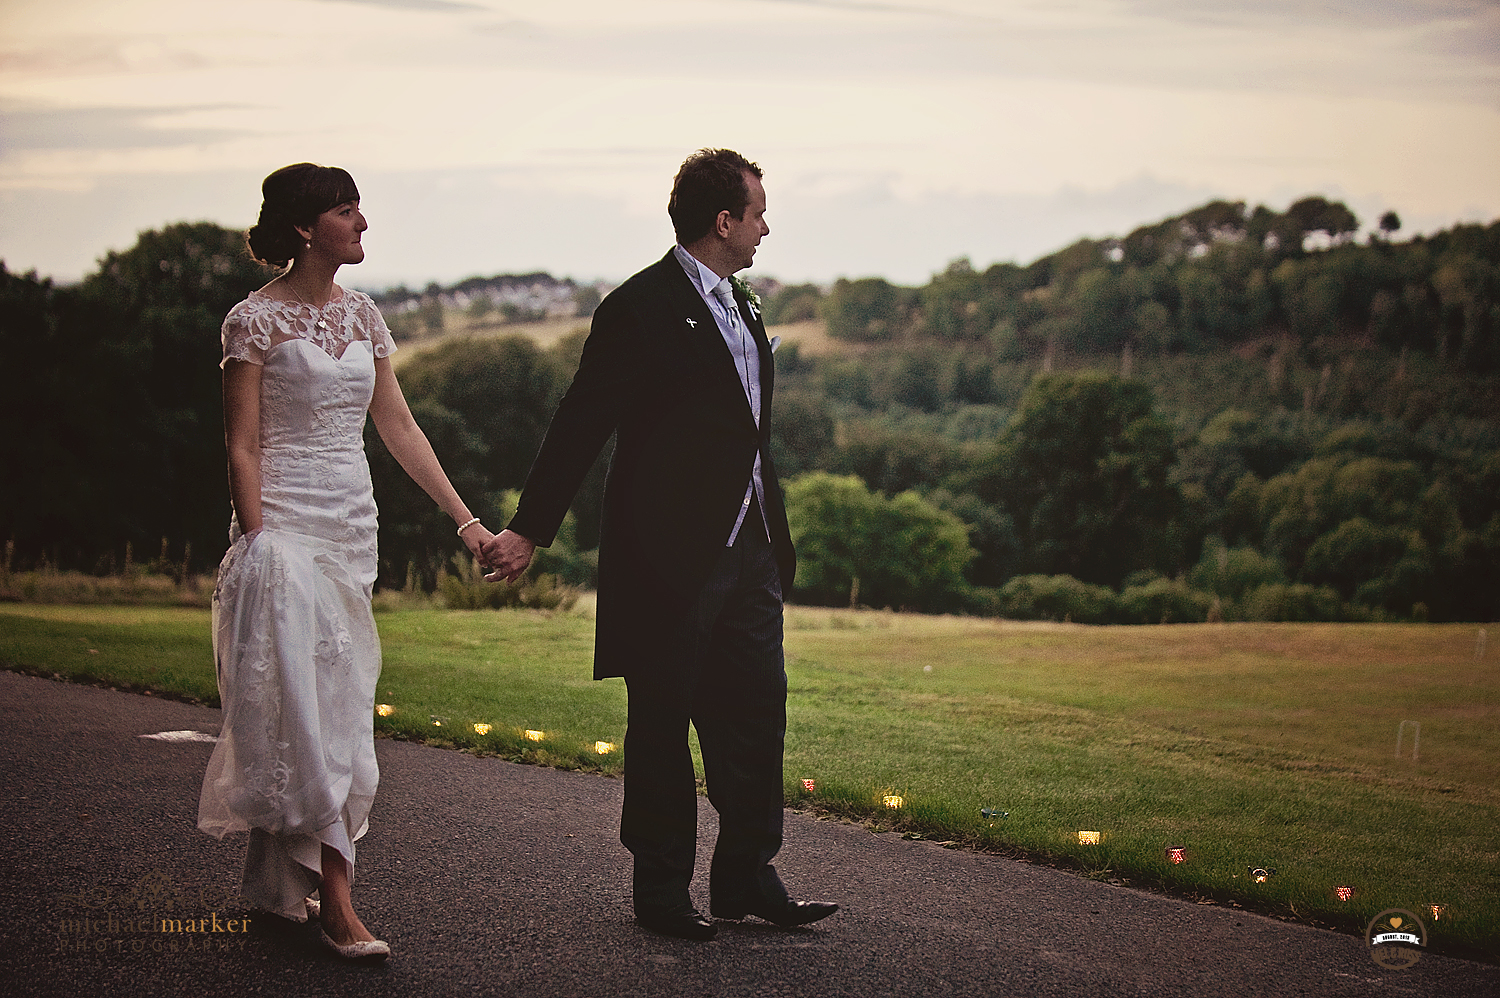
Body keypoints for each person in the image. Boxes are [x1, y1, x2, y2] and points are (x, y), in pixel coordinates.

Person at [482, 148, 838, 941]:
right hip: (666, 556)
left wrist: (773, 541)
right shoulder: (638, 307)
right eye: (757, 213)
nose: (765, 227)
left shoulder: (743, 306)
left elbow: (747, 432)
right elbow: (581, 424)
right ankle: (661, 890)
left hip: (751, 552)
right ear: (724, 221)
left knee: (755, 720)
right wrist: (529, 529)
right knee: (662, 723)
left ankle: (747, 877)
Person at [198, 163, 495, 961]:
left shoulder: (365, 317)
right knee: (309, 706)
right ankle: (337, 902)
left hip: (348, 530)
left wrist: (464, 520)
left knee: (336, 700)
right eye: (345, 209)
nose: (363, 221)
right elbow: (241, 443)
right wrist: (258, 541)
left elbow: (399, 431)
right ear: (305, 227)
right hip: (283, 531)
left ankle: (274, 882)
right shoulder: (251, 323)